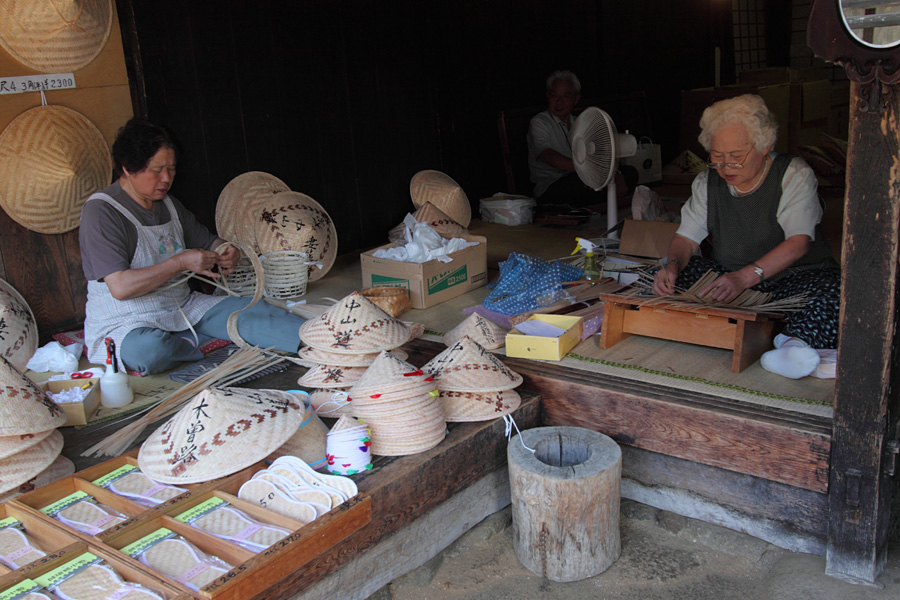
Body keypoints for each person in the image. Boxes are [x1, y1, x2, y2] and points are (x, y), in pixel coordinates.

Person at [80, 118, 305, 375]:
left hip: (182, 309)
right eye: (157, 170)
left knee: (253, 312)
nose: (166, 178)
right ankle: (201, 343)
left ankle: (320, 342)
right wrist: (180, 262)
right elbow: (120, 287)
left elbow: (209, 242)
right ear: (128, 168)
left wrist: (226, 251)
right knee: (149, 351)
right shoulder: (101, 211)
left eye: (172, 169)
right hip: (125, 321)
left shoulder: (169, 205)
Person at [652, 94, 840, 379]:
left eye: (737, 157)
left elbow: (799, 243)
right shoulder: (707, 182)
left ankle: (793, 346)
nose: (727, 167)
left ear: (765, 147)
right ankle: (759, 333)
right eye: (717, 156)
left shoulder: (793, 174)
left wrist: (745, 277)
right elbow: (687, 239)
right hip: (731, 278)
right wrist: (672, 265)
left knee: (834, 292)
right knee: (680, 274)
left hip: (796, 278)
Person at [526, 70, 635, 209]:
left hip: (580, 177)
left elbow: (598, 156)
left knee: (629, 173)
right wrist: (584, 172)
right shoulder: (539, 122)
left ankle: (599, 200)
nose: (559, 102)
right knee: (580, 185)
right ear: (548, 96)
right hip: (551, 185)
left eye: (566, 96)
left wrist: (614, 173)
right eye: (555, 95)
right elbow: (548, 156)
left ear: (576, 99)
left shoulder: (581, 123)